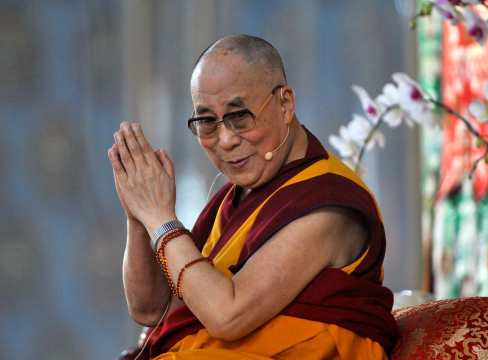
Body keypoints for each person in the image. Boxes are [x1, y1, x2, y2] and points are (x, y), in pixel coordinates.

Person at [109, 34, 398, 360]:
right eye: (206, 121)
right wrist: (140, 214)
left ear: (285, 104)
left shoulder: (328, 205)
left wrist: (162, 220)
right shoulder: (232, 202)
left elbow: (228, 316)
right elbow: (151, 310)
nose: (226, 139)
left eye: (240, 116)